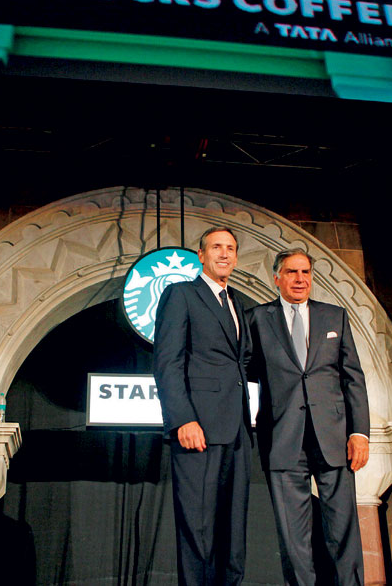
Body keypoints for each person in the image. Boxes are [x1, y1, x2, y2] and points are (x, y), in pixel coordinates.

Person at [248, 248, 370, 586]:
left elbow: (353, 378)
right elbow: (240, 369)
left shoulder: (335, 316)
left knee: (343, 528)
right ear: (277, 278)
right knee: (293, 537)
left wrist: (360, 433)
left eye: (305, 272)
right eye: (292, 272)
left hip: (333, 438)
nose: (300, 279)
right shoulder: (256, 318)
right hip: (283, 439)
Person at [153, 226, 254, 585]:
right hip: (199, 428)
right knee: (198, 527)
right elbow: (167, 362)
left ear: (236, 256)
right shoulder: (180, 294)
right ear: (201, 255)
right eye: (216, 247)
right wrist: (183, 419)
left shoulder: (237, 302)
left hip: (238, 430)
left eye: (230, 248)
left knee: (233, 531)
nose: (224, 254)